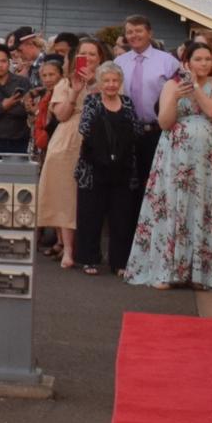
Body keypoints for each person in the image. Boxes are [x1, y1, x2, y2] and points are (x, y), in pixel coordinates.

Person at [124, 42, 212, 291]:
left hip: (209, 158)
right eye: (198, 59)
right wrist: (175, 97)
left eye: (208, 59)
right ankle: (167, 270)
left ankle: (202, 273)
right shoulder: (171, 85)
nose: (204, 63)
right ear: (187, 62)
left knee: (204, 207)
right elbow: (164, 123)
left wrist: (196, 88)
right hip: (176, 156)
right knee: (174, 206)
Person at [36, 38, 109, 269]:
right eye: (83, 54)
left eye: (93, 54)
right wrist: (76, 92)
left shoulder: (109, 80)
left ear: (101, 58)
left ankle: (89, 249)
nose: (87, 58)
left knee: (91, 196)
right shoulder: (66, 82)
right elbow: (61, 115)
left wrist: (95, 87)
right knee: (65, 194)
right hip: (68, 139)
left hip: (97, 137)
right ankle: (67, 249)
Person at [73, 63, 142, 276]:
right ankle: (88, 259)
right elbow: (84, 128)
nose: (111, 85)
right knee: (90, 214)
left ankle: (120, 262)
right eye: (107, 81)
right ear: (100, 83)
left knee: (121, 216)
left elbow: (137, 130)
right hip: (93, 167)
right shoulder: (92, 101)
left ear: (120, 83)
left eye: (115, 81)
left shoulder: (128, 103)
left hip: (122, 168)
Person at [115, 14, 180, 220]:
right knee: (127, 188)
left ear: (149, 33)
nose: (134, 35)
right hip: (126, 132)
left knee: (153, 185)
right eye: (129, 32)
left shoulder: (168, 62)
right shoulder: (119, 62)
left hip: (156, 132)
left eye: (138, 31)